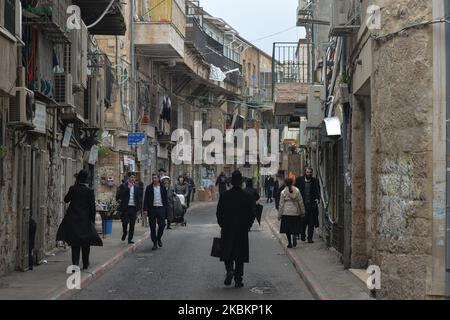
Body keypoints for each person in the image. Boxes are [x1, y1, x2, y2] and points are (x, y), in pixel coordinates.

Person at [216, 171, 256, 288]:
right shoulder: (248, 197)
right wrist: (248, 226)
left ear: (231, 182)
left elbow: (219, 213)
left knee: (227, 251)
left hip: (227, 228)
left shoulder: (224, 196)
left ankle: (229, 270)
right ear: (241, 182)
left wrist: (223, 225)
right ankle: (238, 280)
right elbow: (252, 214)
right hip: (242, 230)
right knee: (240, 254)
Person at [56, 170, 103, 270]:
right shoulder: (89, 191)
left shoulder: (73, 189)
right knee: (86, 243)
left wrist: (73, 189)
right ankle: (85, 264)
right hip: (85, 221)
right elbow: (92, 209)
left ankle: (75, 264)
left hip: (74, 220)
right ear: (86, 179)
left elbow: (66, 200)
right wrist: (92, 222)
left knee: (75, 243)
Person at [295, 168, 321, 243]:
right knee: (303, 222)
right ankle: (302, 235)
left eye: (310, 172)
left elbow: (318, 191)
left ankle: (310, 238)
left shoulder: (315, 181)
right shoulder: (299, 180)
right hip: (302, 205)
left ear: (312, 173)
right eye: (307, 172)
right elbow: (295, 190)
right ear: (305, 172)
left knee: (311, 223)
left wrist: (317, 199)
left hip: (312, 206)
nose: (309, 174)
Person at [144, 174, 169, 251]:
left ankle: (158, 238)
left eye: (155, 178)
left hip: (161, 208)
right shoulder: (149, 188)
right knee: (152, 227)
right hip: (152, 209)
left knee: (162, 225)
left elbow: (165, 199)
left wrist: (166, 209)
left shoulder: (162, 187)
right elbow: (146, 200)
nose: (154, 179)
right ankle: (154, 243)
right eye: (153, 178)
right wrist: (145, 210)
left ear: (158, 179)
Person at [278, 179, 305, 249]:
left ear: (285, 183)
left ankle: (289, 243)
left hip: (286, 213)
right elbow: (300, 202)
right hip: (295, 212)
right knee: (294, 227)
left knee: (287, 229)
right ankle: (294, 235)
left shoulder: (283, 192)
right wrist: (302, 211)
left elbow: (281, 205)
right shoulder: (297, 190)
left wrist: (279, 215)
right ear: (292, 183)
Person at [118, 173, 143, 244]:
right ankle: (125, 232)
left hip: (133, 208)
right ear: (128, 178)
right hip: (126, 208)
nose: (132, 179)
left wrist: (139, 207)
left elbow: (139, 197)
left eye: (134, 178)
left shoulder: (136, 187)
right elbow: (120, 195)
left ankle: (130, 239)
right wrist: (127, 188)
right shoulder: (123, 186)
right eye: (131, 177)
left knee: (132, 224)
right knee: (125, 222)